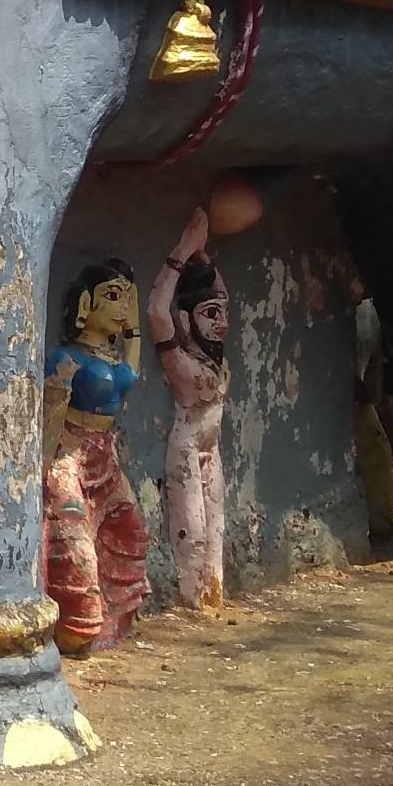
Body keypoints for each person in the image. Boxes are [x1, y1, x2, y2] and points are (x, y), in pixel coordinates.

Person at [44, 259, 151, 655]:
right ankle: (77, 626)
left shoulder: (112, 361)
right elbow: (50, 407)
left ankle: (113, 617)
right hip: (68, 452)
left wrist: (134, 325)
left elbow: (130, 375)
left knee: (130, 528)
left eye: (127, 298)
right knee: (72, 538)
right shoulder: (64, 357)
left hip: (104, 454)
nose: (122, 306)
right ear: (86, 303)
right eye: (112, 296)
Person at [149, 207, 230, 611]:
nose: (221, 324)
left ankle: (213, 598)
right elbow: (156, 313)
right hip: (185, 447)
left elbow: (219, 293)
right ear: (187, 318)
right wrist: (181, 253)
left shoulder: (216, 360)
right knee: (193, 531)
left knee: (217, 528)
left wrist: (206, 260)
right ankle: (192, 600)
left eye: (223, 314)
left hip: (211, 449)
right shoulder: (181, 362)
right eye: (210, 314)